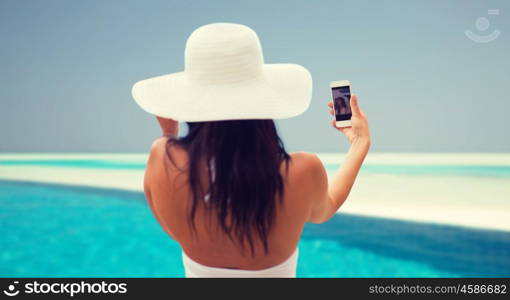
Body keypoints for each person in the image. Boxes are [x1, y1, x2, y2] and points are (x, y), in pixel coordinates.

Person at [132, 23, 370, 277]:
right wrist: (359, 144)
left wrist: (169, 134)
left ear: (192, 103)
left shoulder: (162, 159)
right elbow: (327, 207)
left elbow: (171, 221)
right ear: (262, 99)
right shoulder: (302, 171)